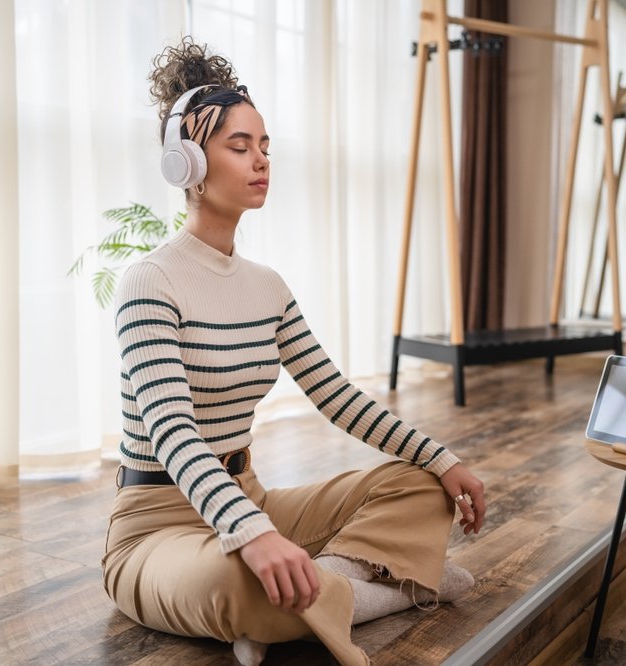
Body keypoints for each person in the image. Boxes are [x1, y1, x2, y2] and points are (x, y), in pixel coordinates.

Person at [101, 37, 486, 666]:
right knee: (241, 581)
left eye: (265, 145)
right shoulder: (150, 280)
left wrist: (442, 461)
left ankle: (317, 597)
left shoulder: (267, 286)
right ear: (187, 164)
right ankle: (387, 588)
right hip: (157, 525)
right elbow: (171, 430)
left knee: (421, 489)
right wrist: (250, 535)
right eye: (239, 146)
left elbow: (336, 397)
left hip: (248, 495)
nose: (261, 160)